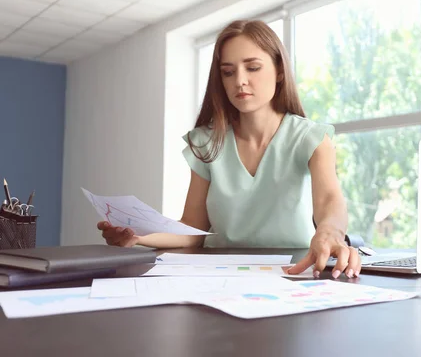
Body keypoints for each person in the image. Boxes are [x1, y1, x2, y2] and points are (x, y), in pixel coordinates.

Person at [97, 20, 361, 279]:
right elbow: (193, 230)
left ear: (279, 70)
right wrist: (138, 236)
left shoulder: (311, 138)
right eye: (228, 72)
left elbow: (329, 201)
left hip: (293, 272)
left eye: (253, 67)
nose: (240, 81)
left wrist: (329, 231)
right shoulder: (206, 142)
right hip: (218, 273)